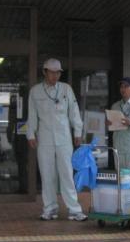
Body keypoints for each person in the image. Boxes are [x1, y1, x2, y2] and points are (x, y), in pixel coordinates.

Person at [27, 58, 87, 221]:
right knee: (47, 175)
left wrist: (78, 132)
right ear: (44, 72)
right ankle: (50, 209)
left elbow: (74, 111)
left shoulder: (66, 89)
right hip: (44, 138)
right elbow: (32, 115)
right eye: (52, 72)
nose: (55, 76)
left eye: (58, 73)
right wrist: (30, 134)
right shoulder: (35, 91)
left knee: (67, 173)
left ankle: (74, 209)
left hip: (64, 138)